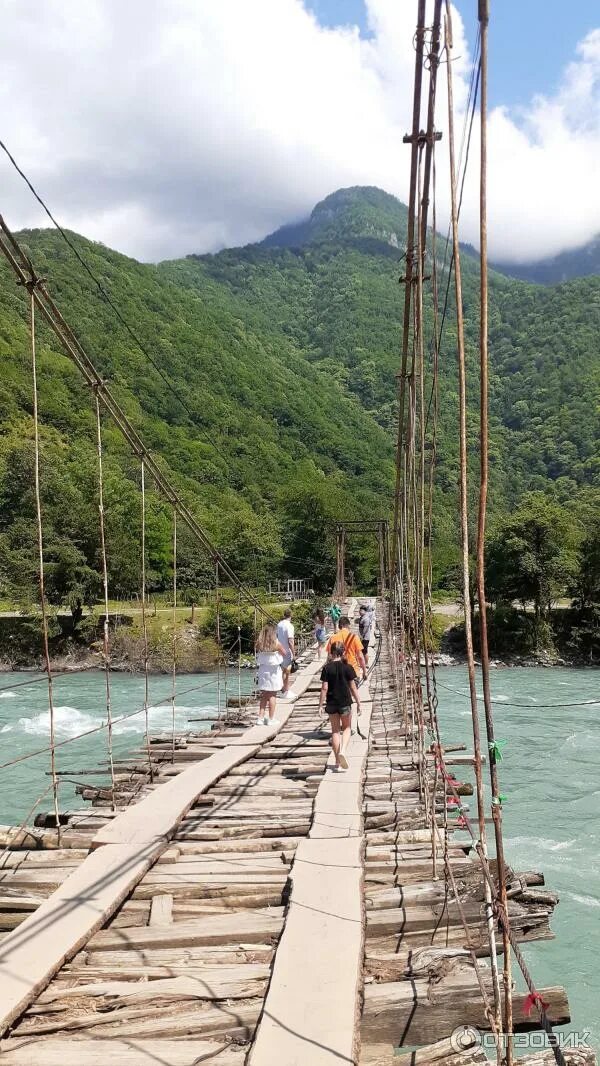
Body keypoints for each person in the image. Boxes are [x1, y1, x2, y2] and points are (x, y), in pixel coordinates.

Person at [318, 640, 361, 770]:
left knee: (335, 731)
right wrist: (359, 702)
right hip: (345, 702)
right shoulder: (348, 668)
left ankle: (337, 762)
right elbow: (353, 687)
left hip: (331, 703)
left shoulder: (327, 668)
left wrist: (320, 705)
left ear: (331, 653)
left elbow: (324, 688)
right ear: (343, 652)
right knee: (347, 728)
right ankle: (343, 751)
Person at [255, 625, 287, 726]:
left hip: (263, 670)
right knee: (273, 695)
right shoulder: (276, 644)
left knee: (264, 695)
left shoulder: (259, 643)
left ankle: (260, 718)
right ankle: (271, 718)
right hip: (274, 671)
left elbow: (256, 648)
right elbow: (284, 653)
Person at [326, 614, 367, 682]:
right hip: (353, 672)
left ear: (339, 626)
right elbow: (360, 657)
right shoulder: (354, 637)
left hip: (337, 673)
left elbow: (329, 657)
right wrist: (364, 671)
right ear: (348, 625)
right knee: (353, 691)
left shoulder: (333, 638)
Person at [276, 608, 296, 699]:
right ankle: (285, 691)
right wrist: (294, 653)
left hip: (279, 651)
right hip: (287, 652)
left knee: (282, 671)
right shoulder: (290, 626)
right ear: (291, 615)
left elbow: (276, 637)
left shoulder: (279, 624)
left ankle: (283, 689)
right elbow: (290, 641)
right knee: (287, 672)